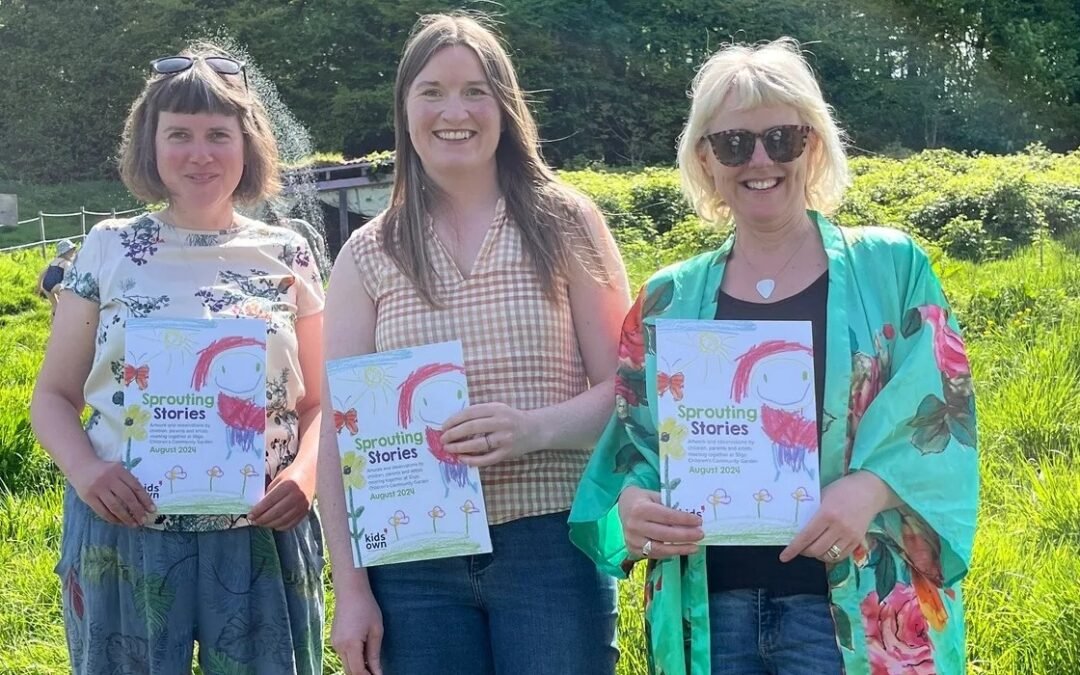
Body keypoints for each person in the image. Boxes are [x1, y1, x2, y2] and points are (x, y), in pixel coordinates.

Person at [569, 38, 979, 675]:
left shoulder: (892, 270)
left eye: (781, 138)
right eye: (733, 143)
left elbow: (942, 410)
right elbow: (634, 445)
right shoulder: (665, 300)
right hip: (710, 608)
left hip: (850, 601)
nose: (759, 160)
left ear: (813, 144)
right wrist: (633, 504)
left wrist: (868, 490)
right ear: (704, 158)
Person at [317, 12, 631, 675]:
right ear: (405, 110)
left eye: (475, 90)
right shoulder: (368, 253)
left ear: (504, 107)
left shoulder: (565, 222)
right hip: (411, 562)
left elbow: (629, 393)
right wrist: (350, 590)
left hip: (551, 544)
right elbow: (339, 439)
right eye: (431, 91)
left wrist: (533, 429)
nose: (452, 110)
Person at [30, 43, 325, 674]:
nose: (200, 152)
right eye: (179, 134)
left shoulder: (290, 253)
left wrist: (306, 475)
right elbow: (53, 397)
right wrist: (86, 471)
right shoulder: (108, 249)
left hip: (261, 536)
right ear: (150, 144)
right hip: (125, 531)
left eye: (219, 133)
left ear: (247, 145)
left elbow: (322, 402)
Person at [37, 238, 78, 311]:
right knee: (68, 303)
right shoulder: (66, 263)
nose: (74, 253)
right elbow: (67, 278)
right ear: (67, 252)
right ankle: (68, 318)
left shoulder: (54, 261)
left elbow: (42, 273)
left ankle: (54, 321)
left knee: (55, 306)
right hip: (56, 286)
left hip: (46, 285)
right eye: (72, 251)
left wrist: (39, 287)